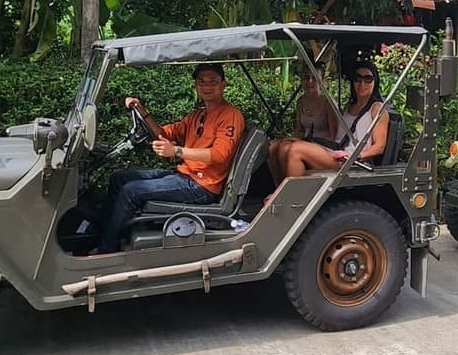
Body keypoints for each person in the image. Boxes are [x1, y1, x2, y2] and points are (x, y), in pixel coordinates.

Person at [93, 63, 246, 254]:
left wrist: (176, 151)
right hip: (184, 175)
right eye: (201, 82)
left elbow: (219, 155)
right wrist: (142, 111)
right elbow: (163, 133)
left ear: (224, 84)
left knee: (130, 191)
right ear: (196, 85)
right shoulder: (198, 115)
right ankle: (103, 234)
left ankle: (106, 251)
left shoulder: (231, 115)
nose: (207, 86)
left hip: (201, 185)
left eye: (213, 82)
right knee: (119, 178)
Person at [275, 59, 389, 184]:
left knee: (295, 150)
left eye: (368, 79)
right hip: (335, 151)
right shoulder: (350, 106)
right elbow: (336, 137)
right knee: (285, 147)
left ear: (375, 81)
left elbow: (379, 147)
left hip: (352, 160)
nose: (362, 84)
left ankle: (291, 198)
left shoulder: (377, 108)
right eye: (358, 79)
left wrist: (355, 157)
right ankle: (279, 191)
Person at [267, 63, 339, 183]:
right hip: (306, 140)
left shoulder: (328, 103)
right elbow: (299, 130)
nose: (310, 81)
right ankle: (278, 185)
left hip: (324, 145)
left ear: (322, 81)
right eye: (306, 77)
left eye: (314, 78)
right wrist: (291, 138)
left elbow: (334, 136)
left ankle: (286, 189)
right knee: (272, 146)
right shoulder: (301, 101)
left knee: (286, 148)